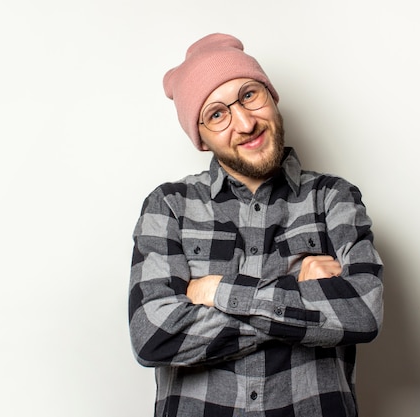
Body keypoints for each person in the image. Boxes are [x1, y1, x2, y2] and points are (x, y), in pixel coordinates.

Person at [128, 33, 383, 417]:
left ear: (271, 95)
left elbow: (362, 312)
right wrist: (299, 295)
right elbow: (155, 337)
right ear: (201, 138)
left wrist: (217, 291)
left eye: (249, 95)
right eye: (217, 114)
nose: (245, 123)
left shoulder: (333, 197)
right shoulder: (170, 206)